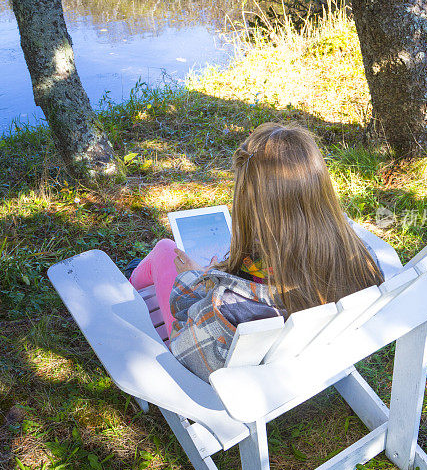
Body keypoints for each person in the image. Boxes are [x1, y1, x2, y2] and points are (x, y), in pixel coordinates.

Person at [128, 122, 383, 382]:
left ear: (250, 206)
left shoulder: (230, 305)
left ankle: (129, 287)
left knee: (164, 250)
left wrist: (196, 279)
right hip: (310, 354)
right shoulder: (358, 257)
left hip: (235, 374)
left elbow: (185, 349)